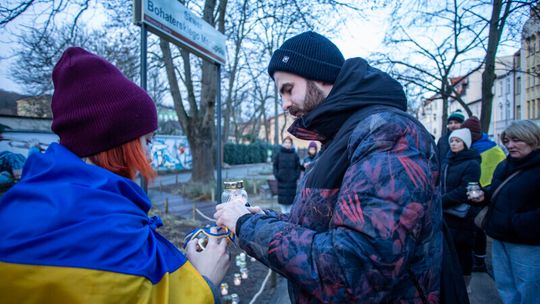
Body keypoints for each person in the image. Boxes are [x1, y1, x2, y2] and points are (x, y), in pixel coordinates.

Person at [215, 31, 442, 302]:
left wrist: (247, 225)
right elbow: (328, 224)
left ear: (320, 76)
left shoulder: (387, 133)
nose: (285, 104)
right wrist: (266, 218)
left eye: (288, 89)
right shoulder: (342, 136)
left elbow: (355, 270)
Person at [0, 47, 229, 303]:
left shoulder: (19, 205)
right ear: (119, 143)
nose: (150, 156)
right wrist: (205, 281)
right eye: (148, 142)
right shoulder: (108, 231)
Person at [469, 120, 540, 304]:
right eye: (507, 140)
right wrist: (482, 196)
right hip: (500, 237)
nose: (510, 145)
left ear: (532, 139)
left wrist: (515, 222)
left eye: (516, 140)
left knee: (529, 291)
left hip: (527, 243)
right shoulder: (505, 165)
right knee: (506, 287)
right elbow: (496, 192)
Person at [461, 116, 506, 272]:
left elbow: (499, 174)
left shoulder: (494, 150)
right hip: (470, 193)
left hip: (485, 194)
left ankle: (479, 260)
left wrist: (485, 192)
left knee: (478, 227)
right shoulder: (467, 148)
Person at [441, 128, 481, 293]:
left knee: (462, 250)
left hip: (462, 215)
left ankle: (465, 284)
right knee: (448, 249)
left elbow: (466, 189)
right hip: (446, 213)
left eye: (457, 141)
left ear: (465, 143)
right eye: (452, 141)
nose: (454, 144)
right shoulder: (447, 160)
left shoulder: (472, 163)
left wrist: (441, 201)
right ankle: (451, 282)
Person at [272, 136, 302, 213]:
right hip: (281, 182)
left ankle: (288, 221)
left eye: (289, 142)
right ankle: (284, 219)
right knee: (283, 205)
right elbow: (275, 166)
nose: (287, 144)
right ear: (283, 143)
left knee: (290, 206)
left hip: (291, 182)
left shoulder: (295, 155)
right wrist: (277, 175)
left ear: (291, 144)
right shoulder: (279, 154)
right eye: (286, 142)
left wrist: (296, 176)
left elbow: (298, 167)